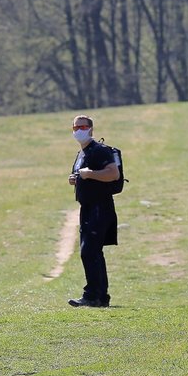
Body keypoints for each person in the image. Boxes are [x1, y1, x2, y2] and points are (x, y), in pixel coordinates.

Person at [67, 115, 120, 308]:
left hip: (100, 206)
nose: (78, 130)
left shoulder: (99, 150)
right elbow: (84, 176)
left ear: (91, 129)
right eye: (75, 127)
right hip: (87, 208)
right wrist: (76, 180)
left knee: (89, 251)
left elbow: (114, 174)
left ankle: (92, 296)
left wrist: (90, 174)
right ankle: (99, 297)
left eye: (82, 126)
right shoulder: (82, 153)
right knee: (91, 252)